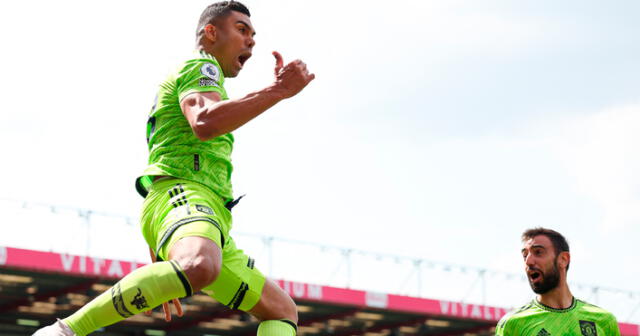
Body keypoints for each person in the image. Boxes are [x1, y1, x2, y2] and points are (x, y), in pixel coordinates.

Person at [34, 1, 314, 335]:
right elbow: (205, 122)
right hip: (185, 196)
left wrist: (165, 273)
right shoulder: (200, 67)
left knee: (281, 311)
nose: (251, 40)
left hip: (202, 213)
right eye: (241, 30)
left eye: (253, 34)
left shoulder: (206, 81)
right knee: (200, 265)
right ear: (210, 33)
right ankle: (64, 331)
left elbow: (167, 155)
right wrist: (280, 90)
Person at [495, 227, 621, 336]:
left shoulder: (604, 321)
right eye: (525, 255)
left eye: (538, 252)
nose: (528, 261)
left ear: (563, 259)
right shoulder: (513, 324)